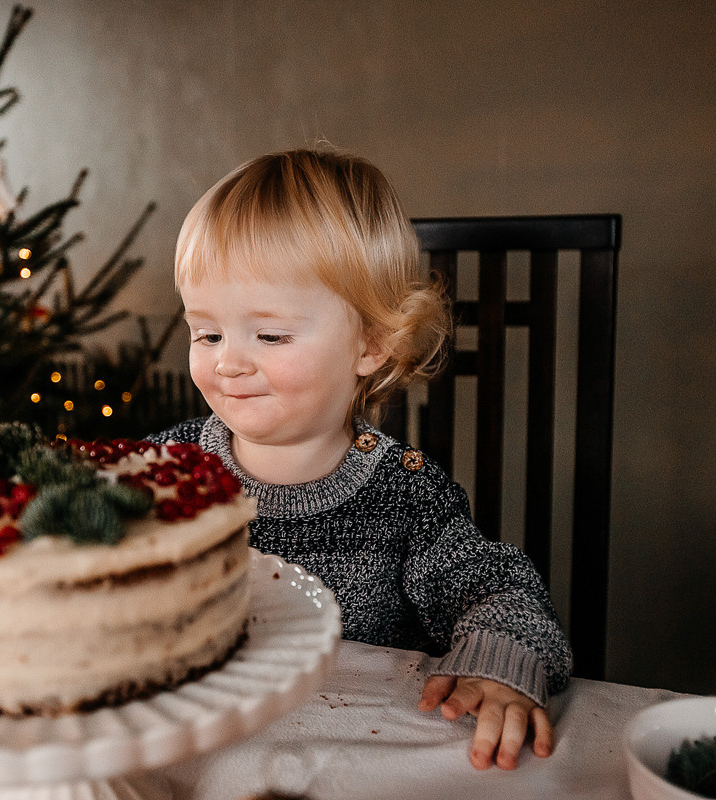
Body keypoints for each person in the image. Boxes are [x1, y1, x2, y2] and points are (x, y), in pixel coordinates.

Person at [150, 148, 571, 771]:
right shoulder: (163, 472)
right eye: (207, 333)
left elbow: (500, 590)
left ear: (370, 344)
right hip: (194, 754)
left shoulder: (406, 496)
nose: (228, 362)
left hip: (352, 761)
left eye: (270, 335)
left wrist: (496, 665)